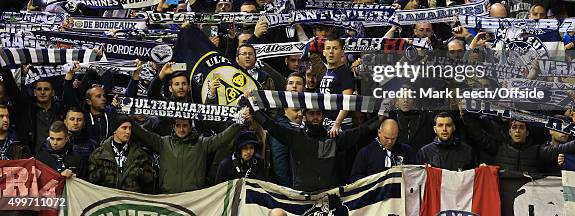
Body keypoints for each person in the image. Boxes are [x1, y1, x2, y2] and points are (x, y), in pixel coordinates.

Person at [252, 106, 380, 191]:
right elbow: (271, 126)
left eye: (318, 113)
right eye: (311, 113)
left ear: (323, 116)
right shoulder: (295, 137)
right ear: (305, 115)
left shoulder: (334, 139)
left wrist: (381, 117)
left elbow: (361, 131)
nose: (315, 117)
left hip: (330, 194)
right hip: (302, 195)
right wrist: (252, 108)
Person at [131, 109, 249, 193]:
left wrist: (237, 123)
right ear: (174, 126)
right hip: (167, 197)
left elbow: (222, 138)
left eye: (185, 125)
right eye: (178, 125)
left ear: (190, 126)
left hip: (194, 199)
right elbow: (143, 134)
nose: (181, 129)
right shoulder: (163, 143)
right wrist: (123, 114)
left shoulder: (202, 143)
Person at [87, 116, 156, 193]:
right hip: (107, 200)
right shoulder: (99, 154)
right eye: (124, 128)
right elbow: (90, 182)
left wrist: (138, 173)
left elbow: (150, 182)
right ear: (115, 130)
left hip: (130, 201)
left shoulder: (140, 155)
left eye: (130, 128)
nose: (128, 131)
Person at [350, 118, 416, 181]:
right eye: (386, 138)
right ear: (379, 133)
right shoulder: (366, 152)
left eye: (393, 138)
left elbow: (415, 174)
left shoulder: (407, 151)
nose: (390, 142)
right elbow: (355, 178)